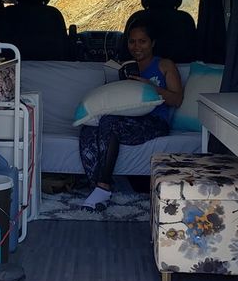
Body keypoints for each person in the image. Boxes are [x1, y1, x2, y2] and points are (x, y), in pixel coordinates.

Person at [79, 17, 184, 210]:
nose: (137, 47)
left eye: (142, 41)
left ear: (152, 43)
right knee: (88, 129)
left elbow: (177, 100)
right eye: (132, 41)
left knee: (109, 123)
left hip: (154, 121)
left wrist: (152, 88)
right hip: (125, 117)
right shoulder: (123, 67)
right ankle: (96, 187)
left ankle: (103, 186)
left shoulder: (165, 65)